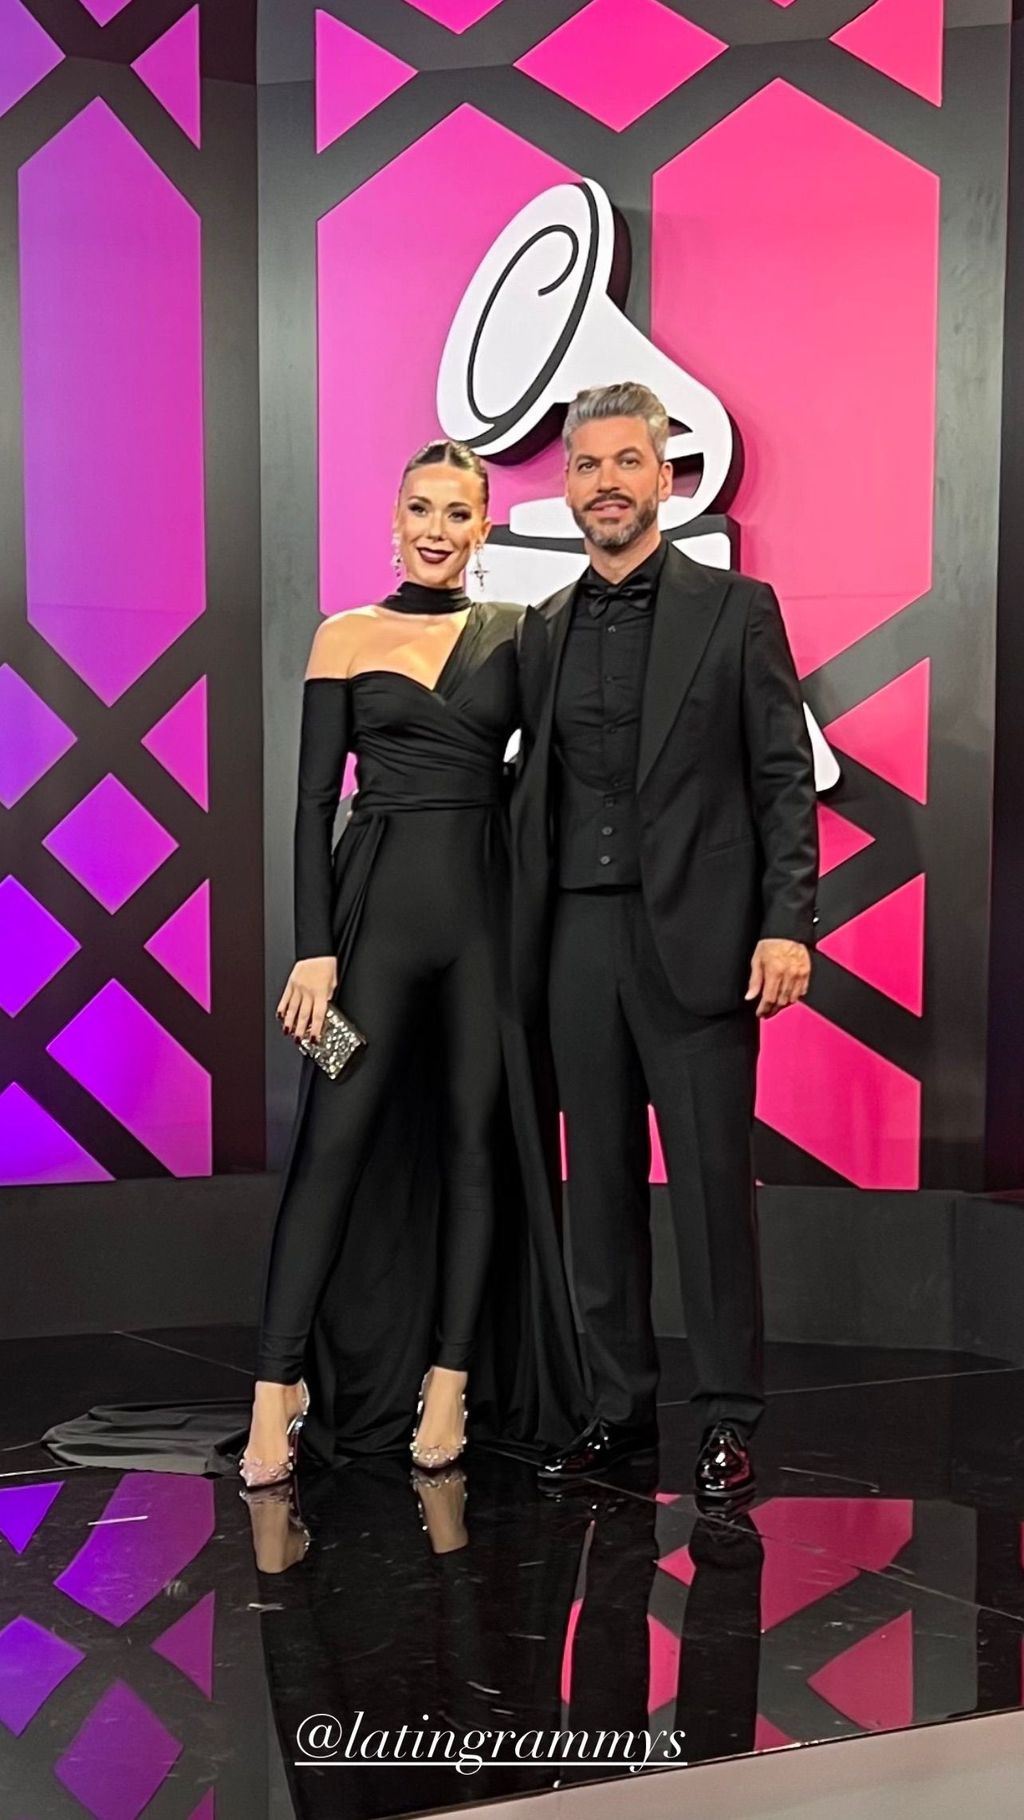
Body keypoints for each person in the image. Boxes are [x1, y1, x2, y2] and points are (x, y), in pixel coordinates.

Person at [242, 438, 585, 1487]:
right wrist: (311, 949)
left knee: (475, 1145)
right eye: (421, 508)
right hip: (366, 930)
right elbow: (308, 806)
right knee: (333, 1140)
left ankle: (449, 1382)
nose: (438, 528)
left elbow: (557, 783)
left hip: (485, 925)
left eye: (459, 512)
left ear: (484, 528)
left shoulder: (519, 636)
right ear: (393, 520)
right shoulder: (343, 635)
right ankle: (274, 1389)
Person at [510, 382, 818, 1507]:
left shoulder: (737, 609)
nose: (605, 483)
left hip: (698, 938)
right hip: (574, 943)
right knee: (596, 1187)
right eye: (586, 465)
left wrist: (788, 922)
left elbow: (782, 774)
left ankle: (729, 1416)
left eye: (626, 463)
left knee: (707, 1190)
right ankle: (616, 1405)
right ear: (569, 485)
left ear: (665, 478)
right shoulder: (539, 629)